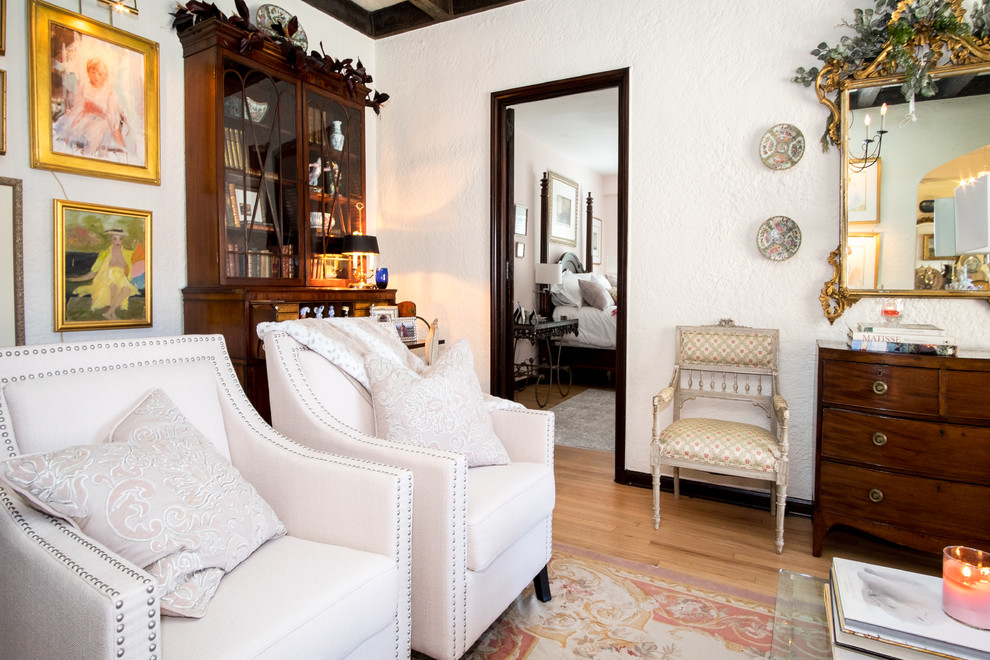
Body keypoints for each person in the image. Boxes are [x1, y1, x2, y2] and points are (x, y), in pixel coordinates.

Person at [53, 56, 128, 160]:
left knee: (97, 129)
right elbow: (78, 103)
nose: (96, 76)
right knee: (70, 125)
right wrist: (83, 108)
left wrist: (98, 111)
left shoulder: (110, 93)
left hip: (101, 120)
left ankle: (88, 153)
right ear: (88, 72)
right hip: (83, 115)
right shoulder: (84, 87)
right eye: (93, 72)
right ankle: (69, 150)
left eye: (100, 74)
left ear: (105, 76)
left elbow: (112, 114)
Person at [70, 228, 140, 320]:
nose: (118, 241)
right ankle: (112, 314)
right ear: (111, 240)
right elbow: (93, 271)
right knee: (113, 287)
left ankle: (109, 313)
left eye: (120, 239)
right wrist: (76, 279)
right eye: (115, 238)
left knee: (126, 290)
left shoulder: (127, 254)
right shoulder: (104, 254)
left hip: (121, 278)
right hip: (107, 277)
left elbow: (134, 264)